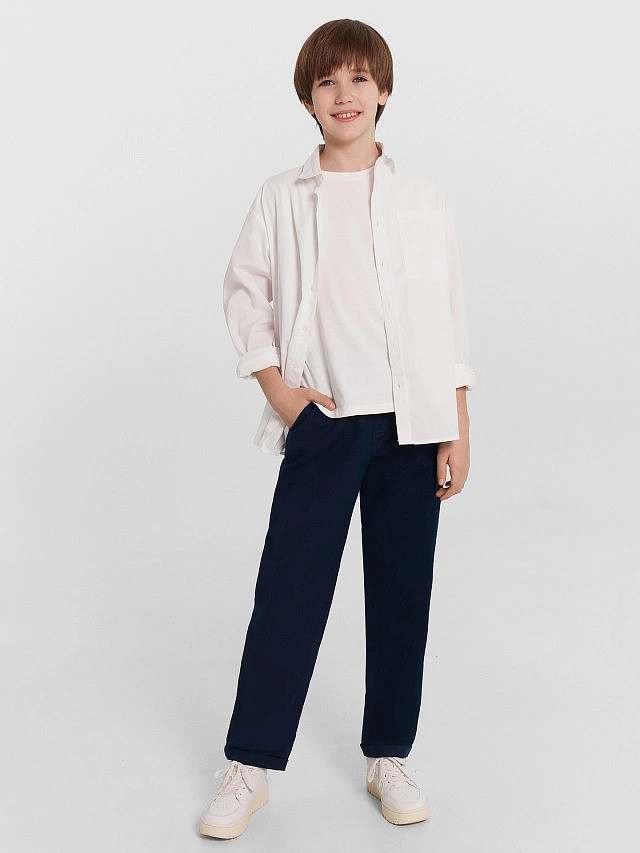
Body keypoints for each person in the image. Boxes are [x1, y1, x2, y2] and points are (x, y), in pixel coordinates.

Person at [199, 17, 477, 839]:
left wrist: (457, 423)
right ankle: (249, 766)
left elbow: (449, 316)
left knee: (402, 591)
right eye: (327, 82)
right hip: (324, 422)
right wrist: (283, 395)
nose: (344, 94)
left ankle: (388, 752)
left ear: (384, 90)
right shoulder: (282, 198)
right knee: (289, 589)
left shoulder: (423, 201)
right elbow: (243, 292)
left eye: (359, 78)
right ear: (308, 100)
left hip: (413, 424)